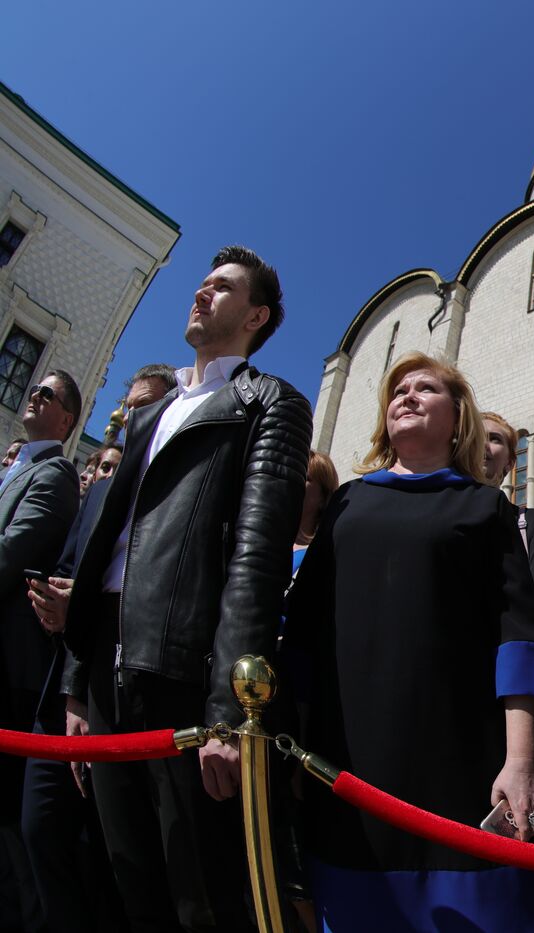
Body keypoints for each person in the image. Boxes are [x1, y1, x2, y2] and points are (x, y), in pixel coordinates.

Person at [62, 245, 312, 933]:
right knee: (130, 881)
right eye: (202, 284)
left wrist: (228, 714)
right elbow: (108, 552)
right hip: (107, 673)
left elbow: (257, 559)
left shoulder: (268, 403)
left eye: (223, 287)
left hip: (181, 675)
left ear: (256, 315)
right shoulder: (150, 414)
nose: (202, 293)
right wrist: (78, 684)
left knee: (200, 896)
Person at [285, 352, 534, 932]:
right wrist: (296, 747)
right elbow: (302, 635)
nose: (406, 395)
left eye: (426, 388)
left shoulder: (485, 507)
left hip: (459, 757)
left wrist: (522, 760)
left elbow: (519, 638)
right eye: (398, 390)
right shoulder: (348, 503)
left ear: (458, 419)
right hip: (348, 756)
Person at [21, 363, 175, 933]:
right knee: (40, 831)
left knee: (112, 859)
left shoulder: (175, 501)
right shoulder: (99, 494)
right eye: (127, 405)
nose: (131, 416)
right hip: (66, 696)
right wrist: (58, 602)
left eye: (147, 406)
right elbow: (62, 572)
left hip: (127, 705)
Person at [0, 374, 83, 814]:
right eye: (36, 389)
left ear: (66, 420)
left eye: (47, 394)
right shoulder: (18, 468)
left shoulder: (56, 473)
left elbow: (11, 553)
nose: (35, 394)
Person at [482, 412, 534, 622]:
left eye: (494, 439)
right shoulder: (441, 512)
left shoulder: (528, 522)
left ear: (510, 462)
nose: (483, 445)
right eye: (475, 438)